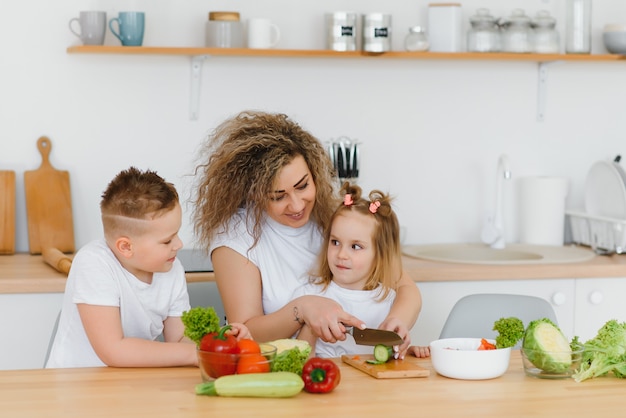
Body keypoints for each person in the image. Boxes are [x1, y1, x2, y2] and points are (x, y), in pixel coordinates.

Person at [192, 110, 422, 357]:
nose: (297, 205)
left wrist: (397, 320)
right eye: (278, 196)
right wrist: (302, 310)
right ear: (253, 194)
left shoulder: (335, 217)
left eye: (303, 186)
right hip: (270, 366)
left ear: (314, 174)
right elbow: (247, 331)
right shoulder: (236, 238)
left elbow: (405, 287)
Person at [46, 167, 250, 368]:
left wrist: (219, 339)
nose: (179, 244)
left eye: (176, 234)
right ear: (126, 247)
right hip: (76, 386)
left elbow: (179, 340)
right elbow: (113, 351)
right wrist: (194, 354)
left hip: (132, 384)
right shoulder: (93, 262)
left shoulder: (170, 268)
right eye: (167, 240)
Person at [293, 182, 426, 358]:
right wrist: (311, 328)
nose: (341, 254)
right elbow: (298, 361)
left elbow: (389, 361)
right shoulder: (309, 296)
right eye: (335, 242)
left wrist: (406, 352)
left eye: (355, 246)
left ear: (380, 254)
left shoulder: (389, 303)